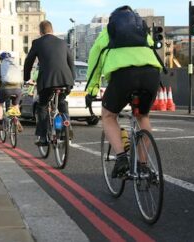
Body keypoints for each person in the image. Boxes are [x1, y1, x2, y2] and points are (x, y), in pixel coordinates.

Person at [86, 5, 163, 178]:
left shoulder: (108, 32)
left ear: (114, 20)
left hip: (123, 76)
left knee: (108, 115)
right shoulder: (142, 32)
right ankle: (143, 166)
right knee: (143, 116)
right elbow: (153, 53)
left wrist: (92, 90)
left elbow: (95, 61)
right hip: (151, 74)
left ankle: (121, 159)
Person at [23, 20, 75, 145]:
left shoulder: (37, 42)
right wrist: (72, 78)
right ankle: (67, 127)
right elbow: (71, 61)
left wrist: (26, 77)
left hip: (47, 80)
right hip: (65, 79)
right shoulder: (63, 43)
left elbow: (29, 60)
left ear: (40, 32)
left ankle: (42, 137)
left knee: (42, 106)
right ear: (52, 30)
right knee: (62, 102)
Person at [0, 51, 23, 131]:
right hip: (18, 90)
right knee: (15, 104)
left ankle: (0, 123)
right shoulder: (16, 66)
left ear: (1, 60)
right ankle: (16, 120)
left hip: (5, 89)